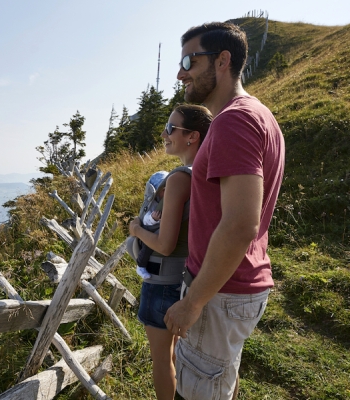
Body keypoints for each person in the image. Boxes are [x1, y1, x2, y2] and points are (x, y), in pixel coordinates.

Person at [163, 22, 285, 400]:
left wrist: (193, 301)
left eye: (189, 60)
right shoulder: (258, 114)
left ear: (222, 61)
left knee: (197, 390)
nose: (181, 72)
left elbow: (240, 223)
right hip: (233, 284)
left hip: (220, 292)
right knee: (217, 383)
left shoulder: (234, 120)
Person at [129, 104, 213, 400]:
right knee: (187, 356)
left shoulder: (179, 179)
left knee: (162, 361)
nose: (164, 133)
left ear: (192, 136)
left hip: (163, 283)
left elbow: (164, 245)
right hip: (190, 281)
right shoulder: (208, 173)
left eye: (171, 128)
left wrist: (137, 230)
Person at [134, 170, 168, 280]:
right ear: (157, 191)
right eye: (163, 190)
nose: (166, 192)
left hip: (161, 228)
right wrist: (153, 218)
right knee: (148, 245)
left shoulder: (168, 200)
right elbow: (145, 219)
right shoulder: (153, 202)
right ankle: (141, 265)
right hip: (149, 228)